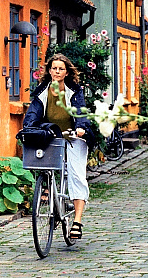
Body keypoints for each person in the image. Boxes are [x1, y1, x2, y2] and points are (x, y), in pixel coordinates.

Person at [23, 53, 96, 240]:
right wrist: (29, 126)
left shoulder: (74, 90)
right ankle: (48, 190)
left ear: (66, 72)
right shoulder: (42, 91)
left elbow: (80, 111)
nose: (57, 71)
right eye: (54, 68)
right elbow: (34, 112)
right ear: (49, 71)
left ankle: (77, 221)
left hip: (73, 137)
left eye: (61, 69)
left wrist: (81, 128)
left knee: (77, 176)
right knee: (43, 165)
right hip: (51, 136)